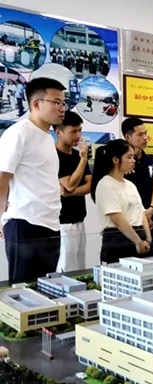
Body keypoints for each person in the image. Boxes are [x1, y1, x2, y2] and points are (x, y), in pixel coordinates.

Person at [0, 77, 66, 283]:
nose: (62, 108)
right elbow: (2, 178)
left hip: (50, 223)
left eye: (63, 103)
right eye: (56, 102)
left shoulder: (47, 137)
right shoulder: (19, 133)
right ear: (36, 104)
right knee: (24, 290)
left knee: (46, 287)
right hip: (25, 222)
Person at [91, 139, 151, 263]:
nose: (133, 160)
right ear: (115, 160)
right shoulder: (106, 184)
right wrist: (138, 242)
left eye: (133, 157)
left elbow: (141, 213)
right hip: (118, 241)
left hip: (138, 237)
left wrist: (148, 238)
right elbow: (117, 219)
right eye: (129, 157)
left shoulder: (130, 185)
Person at [55, 111, 91, 272]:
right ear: (59, 133)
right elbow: (69, 184)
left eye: (80, 131)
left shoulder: (78, 155)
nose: (78, 136)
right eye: (73, 132)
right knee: (65, 270)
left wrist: (70, 193)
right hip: (62, 223)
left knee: (79, 269)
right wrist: (83, 160)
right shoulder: (54, 156)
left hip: (80, 220)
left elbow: (90, 185)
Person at [122, 117, 153, 256]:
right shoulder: (121, 163)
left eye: (145, 133)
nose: (145, 137)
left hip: (150, 221)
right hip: (130, 223)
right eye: (140, 134)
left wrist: (151, 209)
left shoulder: (151, 161)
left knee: (151, 261)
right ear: (128, 137)